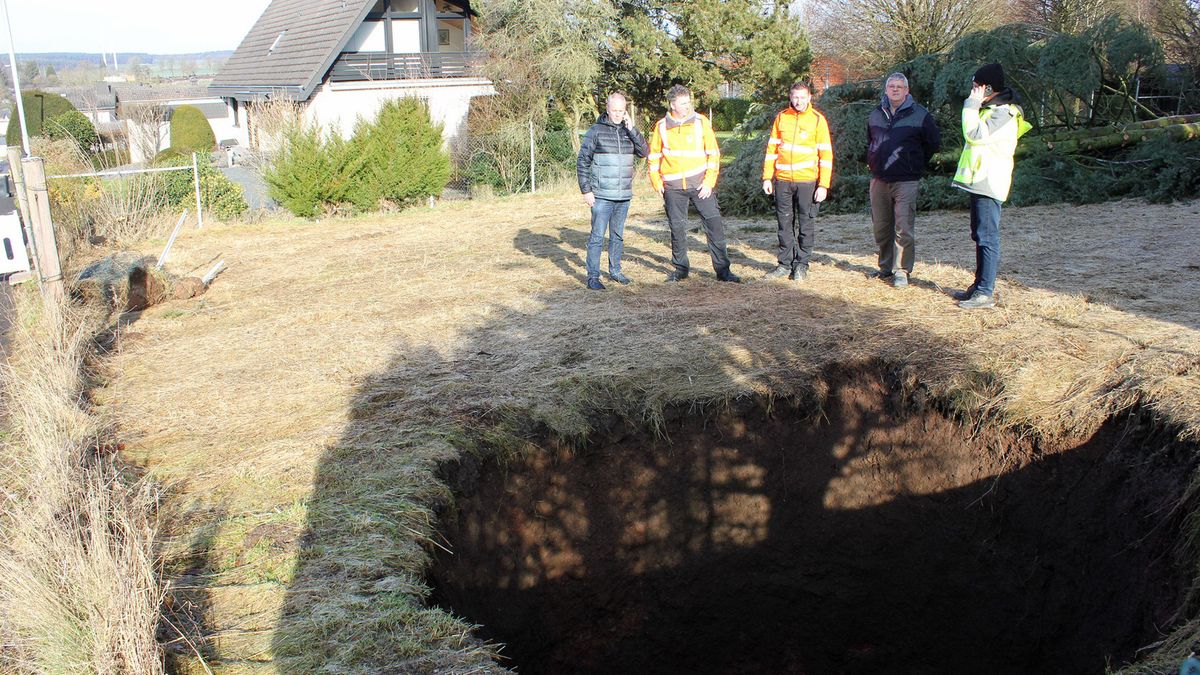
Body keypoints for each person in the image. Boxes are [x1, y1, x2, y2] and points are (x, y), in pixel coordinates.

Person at [952, 63, 1031, 309]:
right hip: (980, 181)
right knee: (980, 235)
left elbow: (974, 135)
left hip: (989, 182)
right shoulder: (994, 108)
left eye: (976, 87)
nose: (973, 91)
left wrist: (971, 105)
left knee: (987, 237)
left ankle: (985, 292)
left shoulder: (1003, 113)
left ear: (988, 87)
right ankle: (978, 287)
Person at [648, 84, 740, 283]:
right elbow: (654, 156)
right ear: (672, 104)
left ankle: (723, 270)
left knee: (714, 225)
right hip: (673, 187)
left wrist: (709, 182)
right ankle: (681, 269)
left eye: (689, 102)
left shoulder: (701, 122)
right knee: (677, 228)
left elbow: (713, 153)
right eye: (683, 103)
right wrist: (657, 182)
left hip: (700, 185)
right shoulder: (661, 126)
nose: (688, 106)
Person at [866, 72, 941, 289]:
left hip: (906, 180)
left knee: (903, 227)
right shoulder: (875, 114)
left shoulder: (920, 115)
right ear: (886, 90)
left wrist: (914, 163)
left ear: (907, 91)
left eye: (900, 86)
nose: (895, 89)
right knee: (881, 226)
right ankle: (885, 267)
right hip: (879, 179)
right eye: (891, 86)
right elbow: (870, 141)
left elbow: (933, 144)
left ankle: (902, 270)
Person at [760, 82, 833, 282]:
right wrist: (767, 177)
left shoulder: (818, 121)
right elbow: (771, 150)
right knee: (784, 224)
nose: (798, 101)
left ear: (809, 98)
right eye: (795, 97)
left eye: (802, 97)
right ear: (790, 97)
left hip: (807, 181)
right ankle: (784, 264)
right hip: (782, 181)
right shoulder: (782, 117)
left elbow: (826, 155)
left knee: (806, 224)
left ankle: (801, 265)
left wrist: (823, 185)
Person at [577, 91, 649, 290]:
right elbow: (583, 160)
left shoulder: (628, 130)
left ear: (625, 111)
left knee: (617, 236)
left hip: (623, 195)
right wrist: (586, 190)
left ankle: (615, 271)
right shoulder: (596, 131)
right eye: (614, 110)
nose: (617, 114)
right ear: (607, 109)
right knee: (597, 237)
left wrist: (632, 128)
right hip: (601, 195)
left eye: (621, 110)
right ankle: (593, 277)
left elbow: (644, 152)